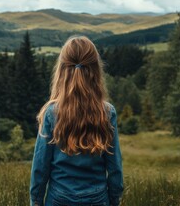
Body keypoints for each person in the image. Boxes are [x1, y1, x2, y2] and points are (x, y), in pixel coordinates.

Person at [29, 36, 124, 206]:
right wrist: (114, 199)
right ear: (95, 70)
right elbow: (115, 167)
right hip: (98, 199)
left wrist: (36, 201)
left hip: (58, 199)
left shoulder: (51, 112)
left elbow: (40, 167)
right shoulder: (107, 112)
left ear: (62, 70)